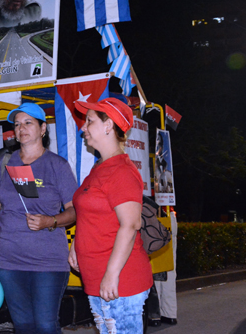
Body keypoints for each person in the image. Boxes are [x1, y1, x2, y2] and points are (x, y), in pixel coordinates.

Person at [0, 103, 77, 334]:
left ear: (43, 129)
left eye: (28, 122)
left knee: (45, 325)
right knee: (23, 325)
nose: (21, 128)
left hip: (47, 262)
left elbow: (74, 210)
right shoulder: (5, 163)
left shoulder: (57, 165)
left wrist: (49, 221)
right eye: (17, 124)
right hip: (7, 260)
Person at [68, 97, 153, 334]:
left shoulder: (121, 171)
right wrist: (76, 244)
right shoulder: (99, 168)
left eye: (89, 121)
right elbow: (91, 214)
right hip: (97, 277)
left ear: (108, 126)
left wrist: (111, 274)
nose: (82, 127)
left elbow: (130, 225)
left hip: (120, 281)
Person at [155, 208, 178, 325]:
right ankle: (169, 314)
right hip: (169, 217)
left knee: (154, 269)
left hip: (152, 217)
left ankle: (155, 315)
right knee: (169, 268)